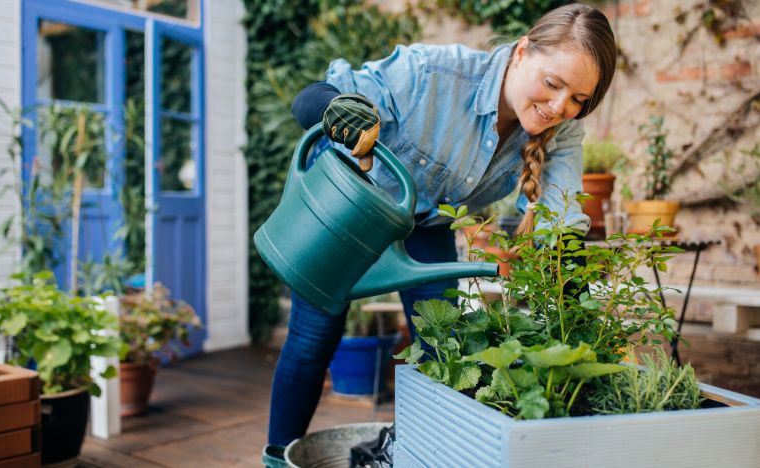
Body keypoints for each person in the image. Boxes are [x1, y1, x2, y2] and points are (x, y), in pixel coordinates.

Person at [262, 3, 617, 465]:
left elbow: (561, 223)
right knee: (312, 344)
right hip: (349, 215)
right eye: (553, 84)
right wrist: (341, 114)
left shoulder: (563, 130)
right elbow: (309, 98)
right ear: (523, 52)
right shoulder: (433, 73)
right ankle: (274, 461)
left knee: (441, 351)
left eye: (578, 99)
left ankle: (414, 456)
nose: (560, 107)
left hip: (424, 228)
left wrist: (579, 319)